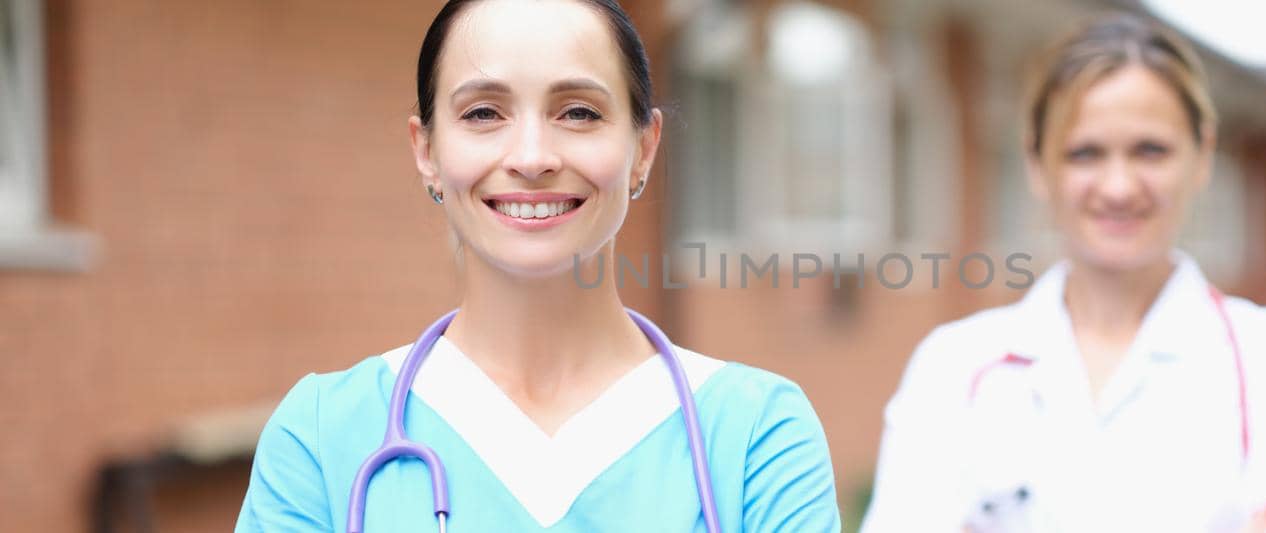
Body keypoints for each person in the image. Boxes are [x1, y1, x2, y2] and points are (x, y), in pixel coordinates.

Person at [235, 1, 840, 531]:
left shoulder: (757, 435)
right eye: (482, 114)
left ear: (644, 149)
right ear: (426, 151)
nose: (531, 157)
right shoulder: (319, 436)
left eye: (578, 112)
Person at [860, 13, 1266, 533]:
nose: (1118, 187)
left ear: (1202, 156)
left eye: (1150, 151)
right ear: (1035, 163)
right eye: (1085, 154)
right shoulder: (954, 367)